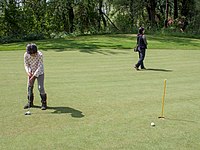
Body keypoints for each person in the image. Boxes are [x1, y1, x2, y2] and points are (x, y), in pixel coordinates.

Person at [24, 43, 47, 110]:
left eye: (33, 53)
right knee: (29, 87)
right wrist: (28, 72)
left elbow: (40, 66)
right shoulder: (26, 55)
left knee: (40, 88)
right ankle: (30, 103)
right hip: (31, 72)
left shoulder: (40, 55)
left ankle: (44, 103)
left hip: (40, 73)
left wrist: (33, 76)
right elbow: (26, 64)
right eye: (31, 53)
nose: (32, 55)